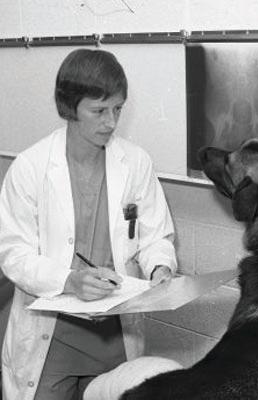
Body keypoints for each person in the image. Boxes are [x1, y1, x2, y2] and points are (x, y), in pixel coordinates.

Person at [0, 48, 177, 400]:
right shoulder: (30, 167)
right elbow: (13, 254)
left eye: (118, 109)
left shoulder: (136, 162)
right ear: (69, 108)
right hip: (51, 340)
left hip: (113, 337)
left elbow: (155, 235)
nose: (111, 122)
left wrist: (160, 268)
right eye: (98, 111)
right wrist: (68, 280)